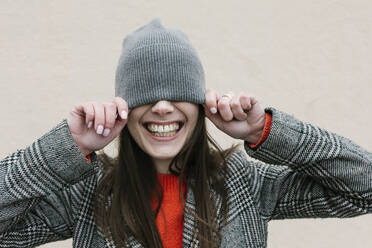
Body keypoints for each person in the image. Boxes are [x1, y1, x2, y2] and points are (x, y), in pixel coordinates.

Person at [0, 18, 371, 248]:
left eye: (178, 94)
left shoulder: (247, 184)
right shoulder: (87, 195)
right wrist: (68, 148)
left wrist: (265, 130)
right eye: (146, 95)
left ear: (199, 105)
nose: (162, 107)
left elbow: (364, 187)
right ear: (123, 111)